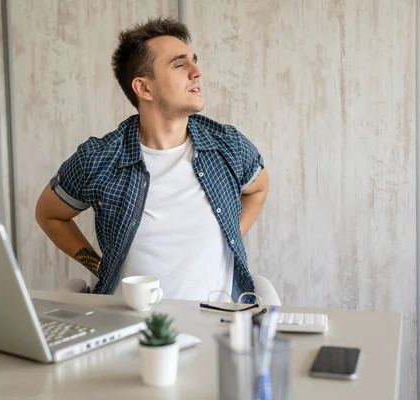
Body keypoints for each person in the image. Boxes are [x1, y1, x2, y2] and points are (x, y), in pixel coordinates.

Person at [35, 16, 269, 303]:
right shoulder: (99, 159)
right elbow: (49, 214)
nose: (197, 72)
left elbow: (258, 189)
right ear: (144, 88)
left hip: (217, 326)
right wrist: (100, 266)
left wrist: (228, 234)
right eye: (180, 64)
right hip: (128, 327)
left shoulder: (227, 146)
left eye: (194, 61)